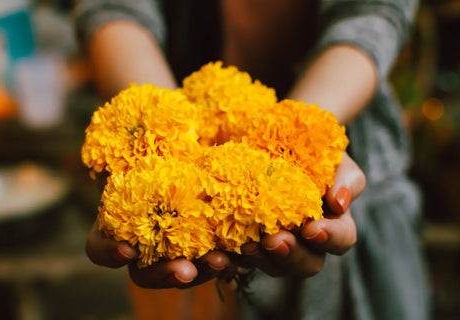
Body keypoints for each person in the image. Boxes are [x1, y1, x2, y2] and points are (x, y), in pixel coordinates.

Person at [73, 0, 430, 319]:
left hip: (359, 183)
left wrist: (302, 136)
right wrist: (161, 130)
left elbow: (371, 17)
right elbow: (114, 8)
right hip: (188, 145)